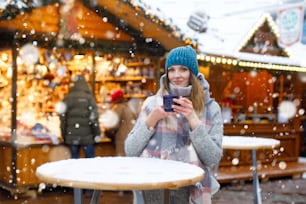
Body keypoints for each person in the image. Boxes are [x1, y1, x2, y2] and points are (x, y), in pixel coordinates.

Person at [125, 45, 223, 204]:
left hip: (191, 187)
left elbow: (212, 158)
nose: (176, 75)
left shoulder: (211, 108)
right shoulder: (152, 104)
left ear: (192, 73)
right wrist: (153, 118)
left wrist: (193, 119)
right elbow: (131, 150)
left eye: (183, 69)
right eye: (171, 70)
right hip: (154, 183)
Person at [59, 74, 101, 159]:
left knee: (73, 162)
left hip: (72, 136)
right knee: (90, 162)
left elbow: (63, 119)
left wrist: (64, 135)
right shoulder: (89, 98)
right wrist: (97, 134)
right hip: (87, 136)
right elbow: (94, 119)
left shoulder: (67, 99)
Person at [107, 89, 137, 156]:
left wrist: (107, 131)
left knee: (122, 158)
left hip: (122, 138)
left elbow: (113, 124)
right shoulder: (128, 105)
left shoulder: (118, 107)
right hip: (131, 136)